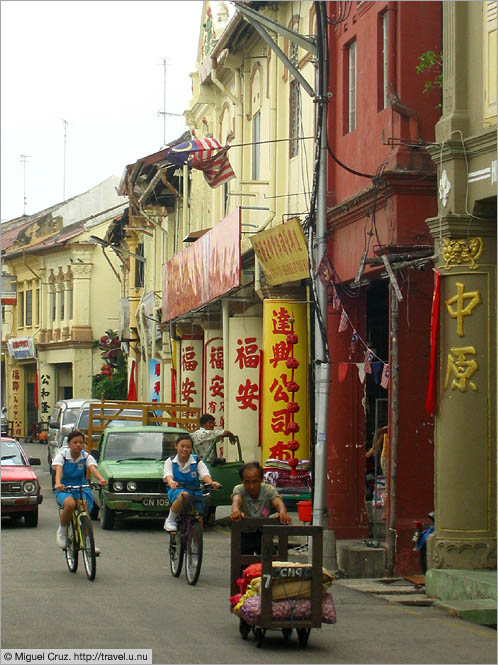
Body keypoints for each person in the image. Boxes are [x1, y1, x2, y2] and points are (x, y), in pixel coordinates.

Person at [52, 429, 107, 548]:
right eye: (75, 442)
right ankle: (62, 532)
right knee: (70, 504)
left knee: (84, 508)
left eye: (81, 442)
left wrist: (101, 479)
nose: (78, 445)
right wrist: (58, 483)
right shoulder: (62, 455)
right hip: (64, 487)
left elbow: (92, 468)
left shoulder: (86, 456)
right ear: (69, 443)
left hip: (81, 486)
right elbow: (59, 470)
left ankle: (88, 542)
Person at [163, 433, 221, 532]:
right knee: (184, 495)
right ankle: (170, 520)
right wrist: (171, 482)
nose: (185, 449)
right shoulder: (170, 461)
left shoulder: (197, 461)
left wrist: (212, 483)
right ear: (176, 446)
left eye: (188, 447)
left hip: (195, 492)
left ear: (191, 449)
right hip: (177, 491)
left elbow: (205, 475)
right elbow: (168, 476)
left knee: (198, 520)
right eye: (182, 446)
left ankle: (196, 545)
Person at [230, 461, 291, 554]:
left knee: (270, 562)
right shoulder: (239, 489)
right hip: (245, 533)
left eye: (255, 482)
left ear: (261, 479)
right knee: (242, 564)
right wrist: (235, 511)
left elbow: (278, 502)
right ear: (242, 481)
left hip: (264, 532)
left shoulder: (268, 490)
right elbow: (236, 500)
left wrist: (282, 512)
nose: (251, 486)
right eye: (247, 482)